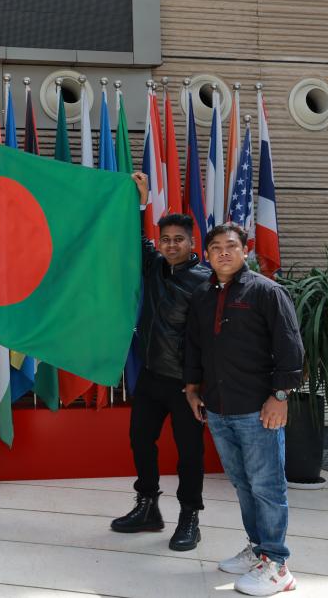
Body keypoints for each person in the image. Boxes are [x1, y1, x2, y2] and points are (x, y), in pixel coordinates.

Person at [185, 223, 303, 596]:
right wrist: (192, 389)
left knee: (267, 487)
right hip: (218, 409)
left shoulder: (267, 292)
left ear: (245, 250)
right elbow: (194, 347)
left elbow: (290, 348)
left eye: (231, 246)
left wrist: (279, 396)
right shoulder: (201, 296)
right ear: (207, 254)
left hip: (258, 410)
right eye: (215, 247)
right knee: (243, 483)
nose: (223, 252)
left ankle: (278, 565)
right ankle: (258, 549)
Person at [110, 173, 211, 551]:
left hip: (187, 384)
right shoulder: (155, 266)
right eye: (165, 239)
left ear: (192, 242)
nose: (170, 245)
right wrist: (141, 202)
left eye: (178, 239)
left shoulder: (205, 281)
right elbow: (134, 240)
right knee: (140, 440)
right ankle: (148, 506)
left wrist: (198, 384)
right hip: (152, 375)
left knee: (189, 454)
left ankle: (190, 517)